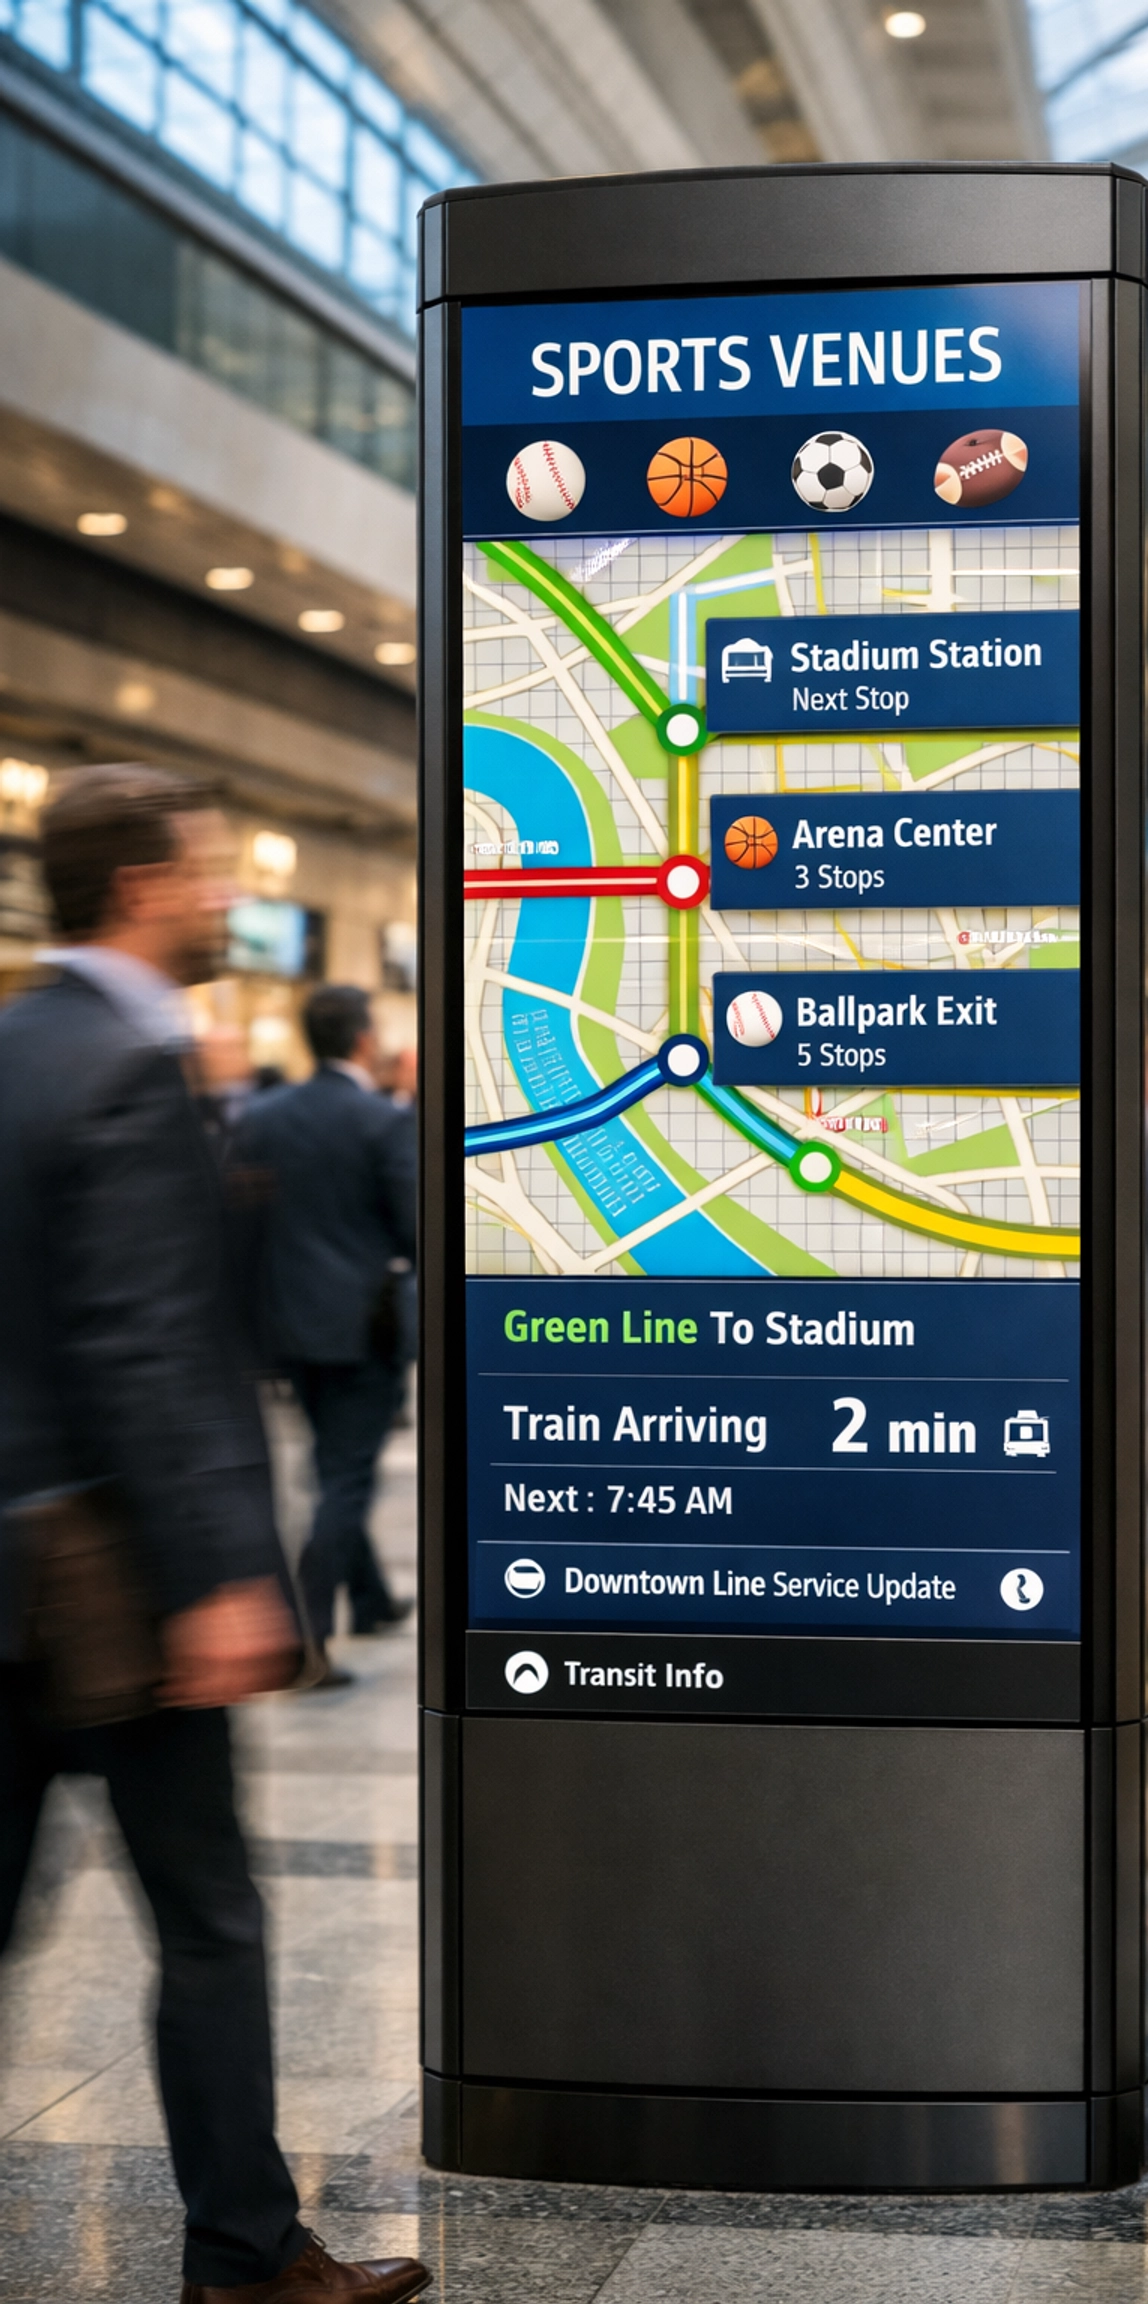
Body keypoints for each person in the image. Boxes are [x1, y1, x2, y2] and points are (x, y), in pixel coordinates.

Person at [0, 764, 429, 2304]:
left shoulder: (18, 1045)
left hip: (19, 1561)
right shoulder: (124, 1067)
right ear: (139, 886)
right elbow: (143, 1345)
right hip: (110, 1592)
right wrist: (216, 1579)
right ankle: (245, 2258)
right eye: (207, 872)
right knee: (212, 1921)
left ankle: (253, 2246)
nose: (228, 897)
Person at [233, 987, 416, 1680]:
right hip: (364, 1328)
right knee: (345, 1478)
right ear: (364, 1040)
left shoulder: (263, 1116)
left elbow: (243, 1220)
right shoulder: (380, 1121)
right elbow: (414, 1227)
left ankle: (370, 1599)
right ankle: (304, 1640)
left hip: (288, 1326)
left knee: (335, 1465)